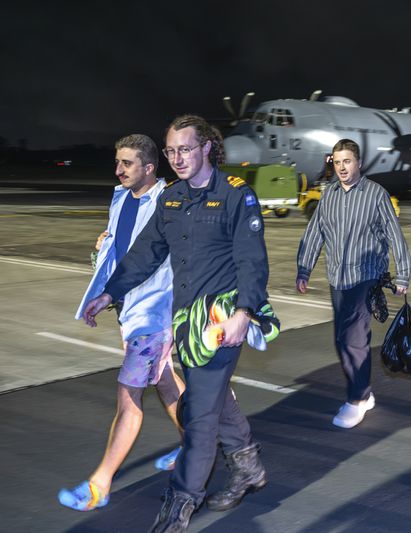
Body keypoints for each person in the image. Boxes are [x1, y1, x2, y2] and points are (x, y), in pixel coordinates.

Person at [82, 115, 273, 532]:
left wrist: (244, 313)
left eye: (184, 149)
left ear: (207, 147)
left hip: (221, 322)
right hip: (184, 322)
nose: (176, 158)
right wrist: (108, 293)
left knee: (200, 412)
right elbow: (143, 254)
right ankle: (248, 467)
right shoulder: (172, 200)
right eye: (170, 151)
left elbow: (252, 261)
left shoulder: (236, 196)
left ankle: (179, 505)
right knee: (215, 399)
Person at [59, 134, 184, 512]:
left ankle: (101, 483)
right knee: (165, 382)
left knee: (129, 397)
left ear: (149, 167)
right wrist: (101, 260)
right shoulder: (119, 198)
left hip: (156, 313)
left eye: (127, 163)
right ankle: (199, 444)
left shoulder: (171, 201)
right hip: (129, 309)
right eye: (117, 162)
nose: (118, 170)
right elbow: (119, 248)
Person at [297, 138, 411, 429]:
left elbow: (395, 236)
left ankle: (357, 399)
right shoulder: (329, 195)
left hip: (365, 278)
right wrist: (304, 270)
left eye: (347, 161)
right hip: (337, 277)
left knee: (354, 339)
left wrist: (403, 275)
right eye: (337, 162)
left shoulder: (376, 195)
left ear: (358, 162)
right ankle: (364, 392)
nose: (342, 167)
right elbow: (315, 233)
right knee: (341, 339)